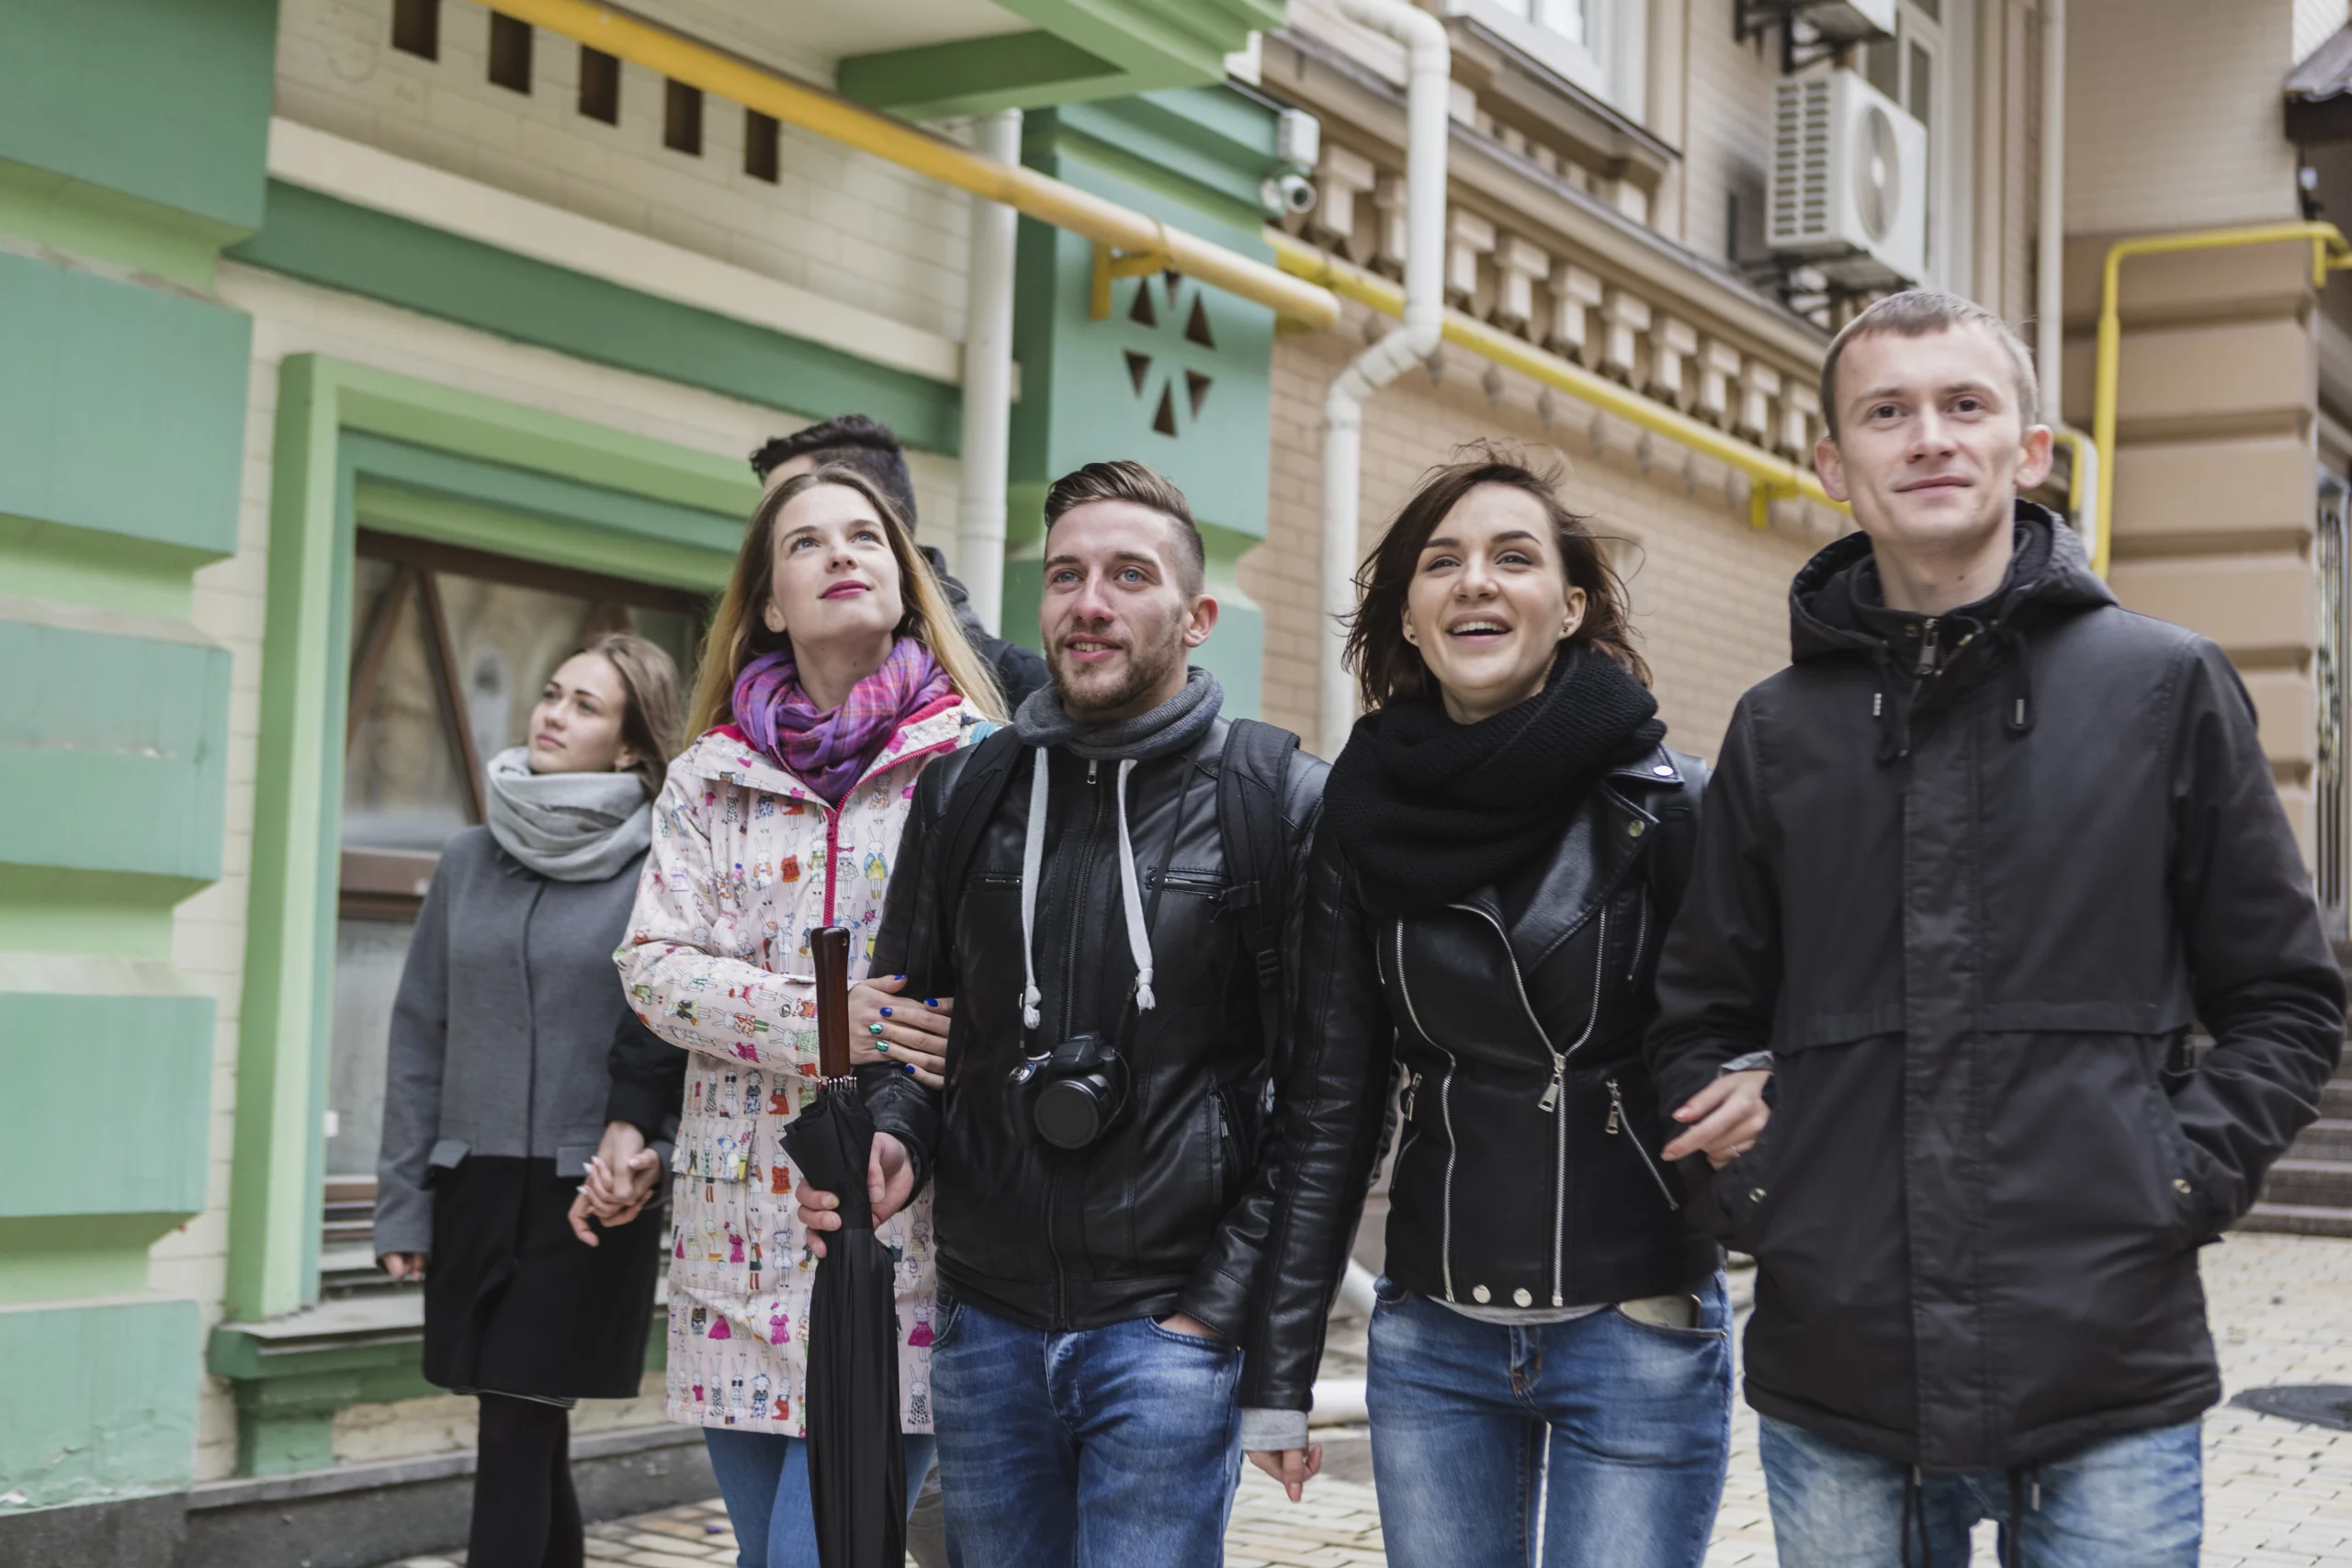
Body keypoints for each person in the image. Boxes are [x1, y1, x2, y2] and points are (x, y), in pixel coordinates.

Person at [1645, 289, 2346, 1567]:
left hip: (2108, 1351)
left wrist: (2175, 1175)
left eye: (1965, 405)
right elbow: (1698, 1012)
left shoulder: (2163, 685)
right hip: (1839, 1357)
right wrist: (1761, 1193)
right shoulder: (1780, 728)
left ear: (2030, 449)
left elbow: (2288, 998)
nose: (1929, 437)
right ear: (1832, 462)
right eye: (1887, 412)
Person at [796, 458, 1329, 1568]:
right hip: (984, 1326)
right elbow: (911, 1022)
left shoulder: (1271, 797)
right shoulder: (966, 791)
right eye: (1067, 576)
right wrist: (894, 1133)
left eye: (1129, 576)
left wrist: (1212, 1312)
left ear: (1197, 618)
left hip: (1165, 1331)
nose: (1089, 604)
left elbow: (1322, 1094)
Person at [1236, 450, 1730, 1568]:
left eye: (1513, 558)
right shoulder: (1357, 816)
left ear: (1568, 607)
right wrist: (1279, 1374)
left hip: (1636, 1322)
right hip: (1434, 1334)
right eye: (1440, 561)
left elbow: (1748, 1055)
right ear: (1406, 616)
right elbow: (1326, 1104)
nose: (1474, 582)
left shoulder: (1673, 806)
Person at [608, 463, 1006, 1568]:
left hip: (898, 1240)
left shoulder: (979, 766)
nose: (841, 554)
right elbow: (652, 968)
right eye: (806, 543)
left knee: (815, 1557)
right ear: (770, 603)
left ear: (906, 580)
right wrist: (831, 1023)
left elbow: (995, 985)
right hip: (732, 1243)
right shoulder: (708, 778)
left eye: (865, 537)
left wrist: (909, 1043)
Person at [375, 632, 686, 1568]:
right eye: (552, 693)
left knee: (515, 1425)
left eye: (585, 705)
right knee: (524, 1425)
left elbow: (672, 1042)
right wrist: (403, 1202)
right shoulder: (469, 858)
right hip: (471, 1182)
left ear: (632, 747)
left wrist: (656, 1157)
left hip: (587, 1196)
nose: (550, 713)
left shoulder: (662, 868)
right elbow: (418, 1034)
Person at [752, 413, 1050, 709]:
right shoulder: (738, 724)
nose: (766, 530)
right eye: (803, 543)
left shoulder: (1018, 687)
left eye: (863, 535)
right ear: (772, 610)